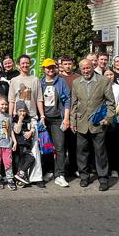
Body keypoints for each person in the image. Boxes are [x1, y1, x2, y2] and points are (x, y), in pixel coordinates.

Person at [70, 58, 117, 191]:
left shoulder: (104, 81)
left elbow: (110, 102)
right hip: (81, 122)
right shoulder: (76, 83)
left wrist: (108, 118)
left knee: (100, 152)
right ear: (80, 69)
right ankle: (84, 177)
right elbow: (74, 104)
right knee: (82, 152)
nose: (86, 71)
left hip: (98, 122)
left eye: (88, 68)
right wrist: (73, 121)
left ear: (92, 67)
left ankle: (103, 179)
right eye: (83, 68)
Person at [40, 59, 72, 187]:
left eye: (52, 67)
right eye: (48, 67)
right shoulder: (40, 82)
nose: (50, 69)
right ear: (44, 69)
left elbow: (68, 99)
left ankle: (60, 174)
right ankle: (49, 171)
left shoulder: (61, 81)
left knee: (60, 147)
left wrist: (66, 118)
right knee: (46, 147)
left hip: (58, 119)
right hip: (44, 119)